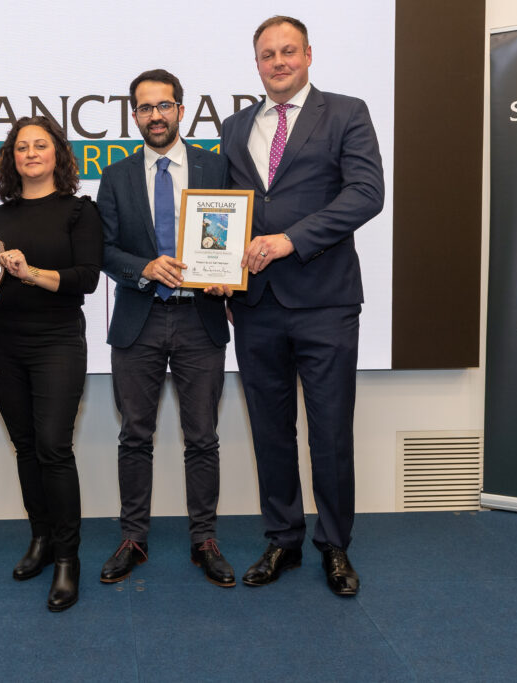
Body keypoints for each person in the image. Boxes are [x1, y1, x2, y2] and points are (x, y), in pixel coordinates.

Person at [220, 16, 384, 596]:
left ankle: (334, 546)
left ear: (309, 54)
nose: (278, 62)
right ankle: (283, 539)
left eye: (288, 51)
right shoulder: (235, 126)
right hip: (257, 304)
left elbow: (367, 194)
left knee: (331, 431)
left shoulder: (346, 112)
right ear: (257, 63)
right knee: (270, 429)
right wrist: (217, 268)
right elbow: (229, 209)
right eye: (268, 54)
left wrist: (291, 239)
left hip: (325, 301)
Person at [96, 69, 235, 587]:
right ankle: (134, 537)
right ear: (134, 115)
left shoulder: (216, 168)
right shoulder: (116, 176)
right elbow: (104, 251)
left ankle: (205, 540)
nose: (155, 115)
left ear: (182, 109)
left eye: (164, 105)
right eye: (144, 108)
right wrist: (143, 267)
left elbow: (232, 235)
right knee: (135, 435)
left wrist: (227, 277)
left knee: (203, 437)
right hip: (140, 317)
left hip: (200, 319)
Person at [0, 116, 102, 611]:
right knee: (25, 446)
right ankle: (41, 540)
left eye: (41, 145)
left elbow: (86, 279)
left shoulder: (80, 211)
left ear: (58, 154)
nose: (31, 153)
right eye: (22, 147)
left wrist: (31, 271)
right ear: (10, 158)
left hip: (58, 341)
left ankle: (68, 559)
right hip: (4, 342)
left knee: (52, 447)